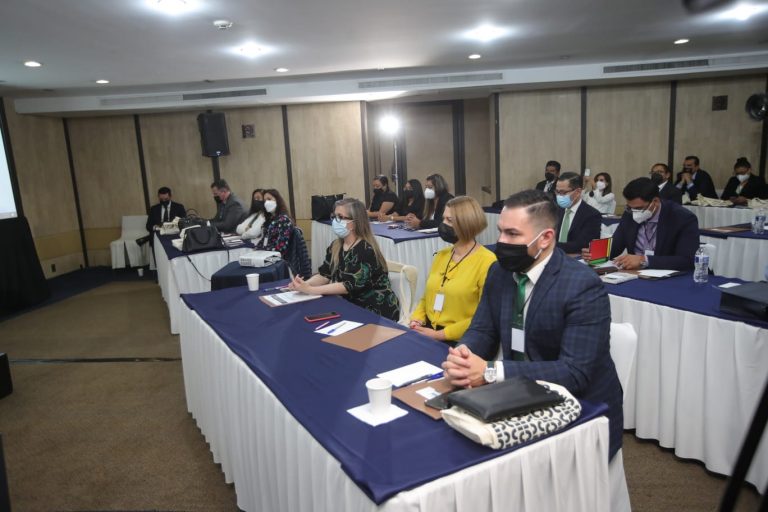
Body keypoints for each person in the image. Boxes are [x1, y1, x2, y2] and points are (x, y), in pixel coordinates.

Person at [441, 189, 623, 460]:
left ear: (546, 238)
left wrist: (490, 371)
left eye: (512, 234)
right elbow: (483, 328)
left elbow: (574, 373)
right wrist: (464, 356)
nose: (501, 241)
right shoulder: (499, 271)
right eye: (501, 231)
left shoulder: (582, 285)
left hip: (580, 408)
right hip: (514, 396)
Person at [288, 198, 400, 321]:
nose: (335, 221)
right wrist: (303, 285)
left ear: (354, 222)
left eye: (340, 217)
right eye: (334, 216)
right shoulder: (336, 246)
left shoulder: (364, 249)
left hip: (375, 310)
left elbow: (348, 286)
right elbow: (324, 275)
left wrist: (311, 290)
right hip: (349, 304)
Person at [409, 196, 497, 344]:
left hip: (462, 339)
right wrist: (417, 319)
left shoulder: (488, 262)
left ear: (466, 224)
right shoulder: (442, 256)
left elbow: (484, 317)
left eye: (449, 221)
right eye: (443, 219)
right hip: (429, 331)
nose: (443, 225)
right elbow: (426, 298)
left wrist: (440, 335)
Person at [586, 177, 699, 271]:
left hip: (668, 279)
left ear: (655, 201)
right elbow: (616, 244)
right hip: (634, 274)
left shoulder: (682, 218)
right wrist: (595, 253)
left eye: (639, 208)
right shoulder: (630, 213)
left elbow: (687, 260)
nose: (634, 212)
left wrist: (644, 260)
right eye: (630, 207)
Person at [554, 172, 602, 254]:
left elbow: (581, 245)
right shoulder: (555, 210)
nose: (559, 196)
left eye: (563, 192)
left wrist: (550, 246)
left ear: (578, 192)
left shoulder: (592, 215)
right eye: (557, 192)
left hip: (575, 260)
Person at [256, 189, 294, 258]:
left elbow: (281, 248)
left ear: (277, 200)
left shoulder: (284, 220)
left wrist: (263, 252)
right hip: (265, 255)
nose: (266, 202)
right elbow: (263, 240)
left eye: (269, 199)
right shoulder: (270, 219)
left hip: (277, 260)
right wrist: (256, 250)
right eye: (265, 201)